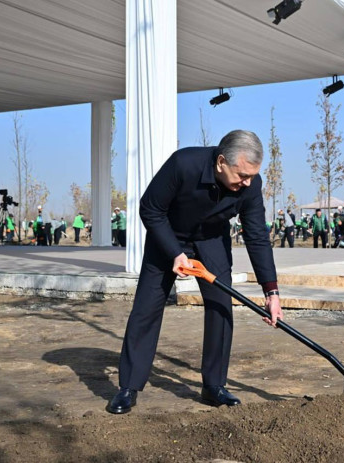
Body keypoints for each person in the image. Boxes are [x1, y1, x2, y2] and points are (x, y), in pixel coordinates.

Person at [107, 130, 282, 414]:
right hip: (168, 237)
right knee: (146, 309)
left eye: (252, 176)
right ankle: (128, 387)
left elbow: (257, 236)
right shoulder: (183, 164)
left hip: (212, 242)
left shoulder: (251, 184)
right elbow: (150, 208)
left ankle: (214, 386)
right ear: (221, 162)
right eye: (242, 175)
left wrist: (271, 291)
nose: (248, 182)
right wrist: (175, 252)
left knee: (220, 307)